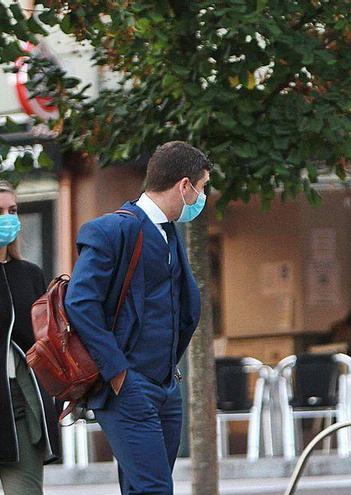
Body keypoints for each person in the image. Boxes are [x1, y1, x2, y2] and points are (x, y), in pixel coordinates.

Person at [65, 142, 209, 494]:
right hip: (127, 385)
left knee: (141, 488)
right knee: (155, 489)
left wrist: (169, 372)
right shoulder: (112, 230)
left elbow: (183, 307)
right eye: (203, 187)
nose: (203, 197)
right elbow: (80, 302)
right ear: (184, 185)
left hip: (164, 386)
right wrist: (117, 373)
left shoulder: (171, 233)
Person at [0, 180, 61, 494]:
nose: (7, 218)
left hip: (21, 408)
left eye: (12, 210)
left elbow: (45, 341)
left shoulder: (30, 274)